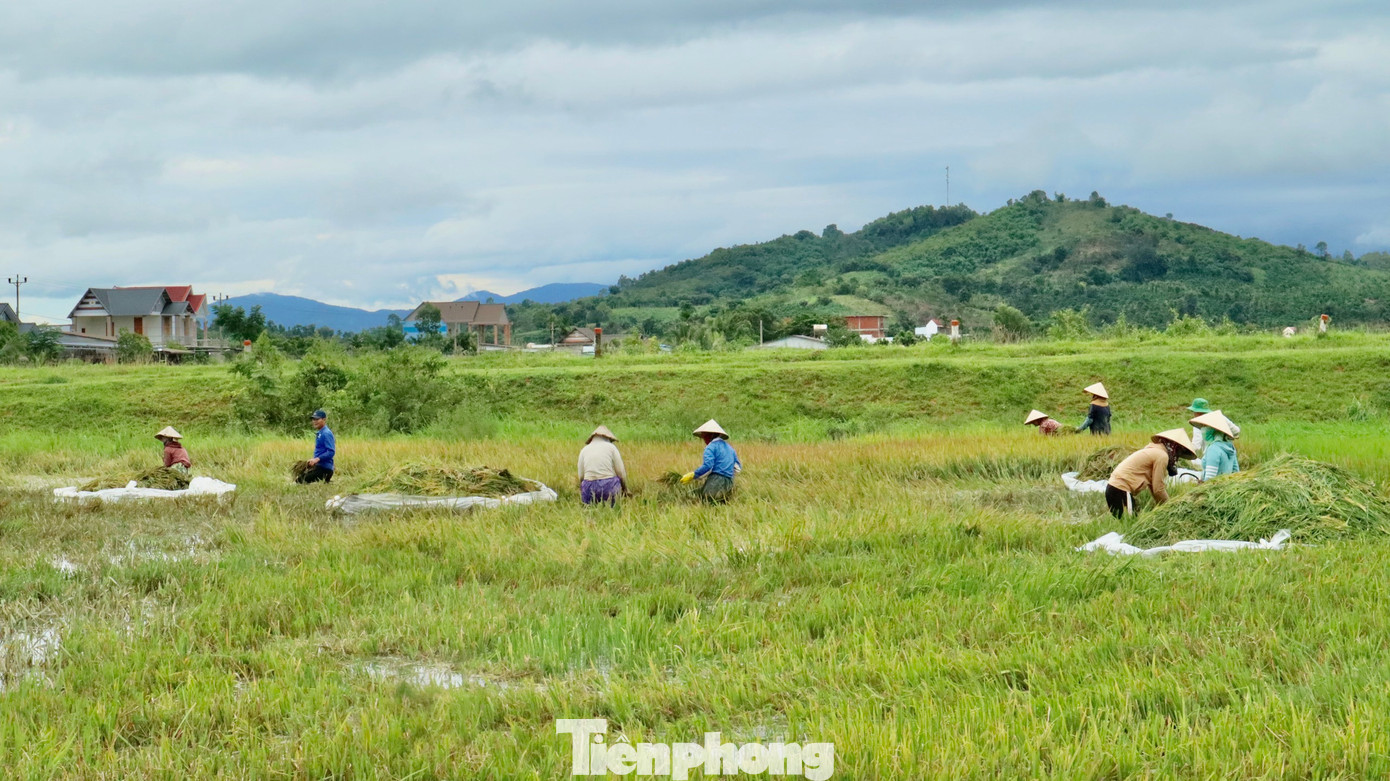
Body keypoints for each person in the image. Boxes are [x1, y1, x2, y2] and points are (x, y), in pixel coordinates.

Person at [1105, 429, 1196, 518]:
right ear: (1173, 447)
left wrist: (1162, 507)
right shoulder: (1162, 456)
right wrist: (1170, 507)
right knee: (1131, 523)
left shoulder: (1154, 451)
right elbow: (1158, 489)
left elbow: (1154, 487)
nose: (1177, 457)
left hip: (1115, 488)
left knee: (1130, 521)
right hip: (1120, 489)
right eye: (1178, 453)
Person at [680, 419, 742, 502]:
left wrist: (694, 475)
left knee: (704, 501)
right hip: (729, 483)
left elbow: (708, 467)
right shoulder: (730, 449)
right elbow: (737, 468)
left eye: (704, 436)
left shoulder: (711, 447)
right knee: (721, 505)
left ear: (710, 435)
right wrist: (726, 474)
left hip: (716, 481)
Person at [577, 425, 628, 505]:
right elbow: (621, 473)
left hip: (589, 488)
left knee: (589, 511)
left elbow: (581, 476)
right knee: (612, 510)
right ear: (608, 438)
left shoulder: (584, 450)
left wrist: (583, 488)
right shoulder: (611, 448)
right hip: (608, 487)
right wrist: (625, 489)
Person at [1190, 410, 1240, 480]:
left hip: (1216, 488)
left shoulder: (1213, 449)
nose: (1203, 429)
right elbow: (1236, 473)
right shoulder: (1230, 447)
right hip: (1225, 486)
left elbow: (1210, 479)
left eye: (1206, 426)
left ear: (1213, 429)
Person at [298, 409, 336, 484]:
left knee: (299, 481)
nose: (314, 421)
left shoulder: (326, 433)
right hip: (319, 466)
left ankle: (326, 479)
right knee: (301, 478)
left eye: (317, 419)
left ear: (324, 419)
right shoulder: (320, 432)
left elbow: (331, 451)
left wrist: (317, 459)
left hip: (324, 468)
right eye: (313, 419)